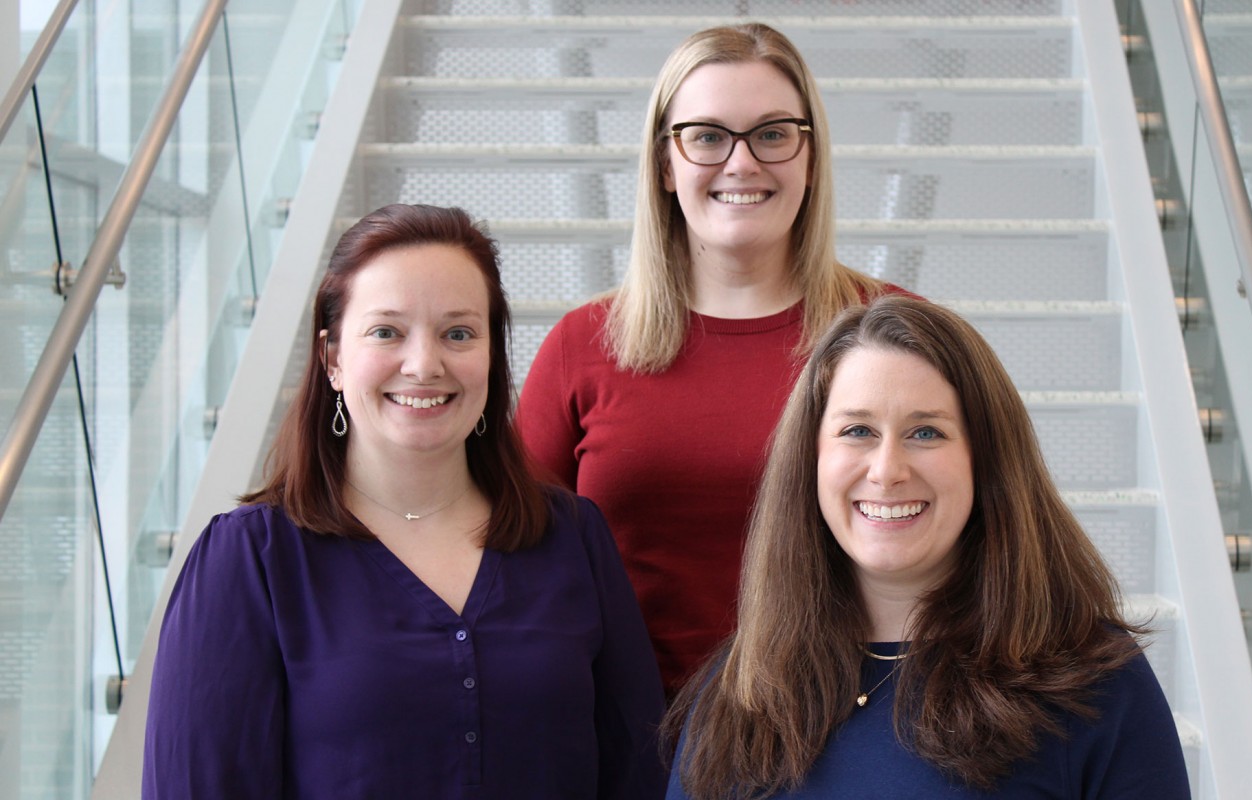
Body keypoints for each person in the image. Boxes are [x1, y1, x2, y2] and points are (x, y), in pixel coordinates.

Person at [142, 204, 665, 799]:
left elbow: (637, 775)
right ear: (333, 358)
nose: (424, 365)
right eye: (386, 331)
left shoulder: (573, 538)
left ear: (493, 355)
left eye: (459, 333)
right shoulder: (249, 560)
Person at [665, 296, 1191, 798]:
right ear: (811, 460)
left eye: (926, 433)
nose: (887, 470)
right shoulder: (741, 685)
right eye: (857, 430)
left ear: (986, 462)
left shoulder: (1096, 684)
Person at [516, 22, 897, 694]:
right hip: (631, 739)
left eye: (773, 133)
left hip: (844, 726)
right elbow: (513, 563)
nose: (741, 163)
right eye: (707, 136)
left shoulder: (892, 333)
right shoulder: (582, 345)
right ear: (665, 163)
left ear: (810, 157)